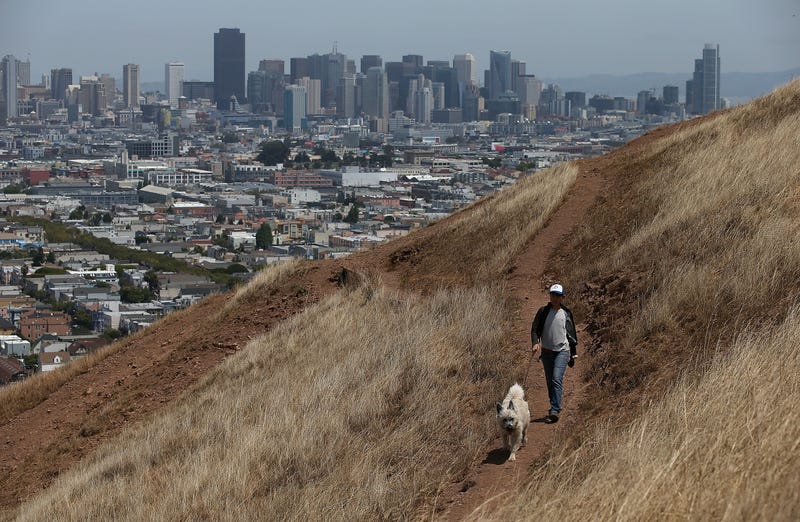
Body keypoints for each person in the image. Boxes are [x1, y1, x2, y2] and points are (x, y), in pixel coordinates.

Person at [530, 283, 578, 423]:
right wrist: (535, 342)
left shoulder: (566, 313)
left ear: (562, 297)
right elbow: (535, 329)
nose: (554, 298)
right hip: (546, 352)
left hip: (562, 351)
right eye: (552, 295)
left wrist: (573, 353)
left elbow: (571, 333)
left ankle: (555, 410)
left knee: (556, 378)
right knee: (550, 381)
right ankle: (554, 406)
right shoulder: (543, 311)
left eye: (557, 296)